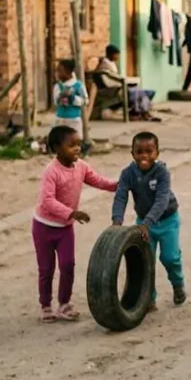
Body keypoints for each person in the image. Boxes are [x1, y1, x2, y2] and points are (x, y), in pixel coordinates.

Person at [32, 125, 117, 323]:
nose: (77, 148)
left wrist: (119, 185)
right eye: (71, 145)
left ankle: (64, 304)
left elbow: (99, 181)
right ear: (57, 148)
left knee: (68, 265)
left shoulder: (81, 167)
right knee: (46, 269)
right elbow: (47, 201)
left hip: (65, 229)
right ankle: (45, 306)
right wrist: (72, 213)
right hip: (44, 227)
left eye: (79, 144)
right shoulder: (51, 171)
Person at [112, 131, 187, 310]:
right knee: (145, 261)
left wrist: (147, 223)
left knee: (170, 258)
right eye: (139, 152)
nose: (144, 156)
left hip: (167, 221)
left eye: (149, 151)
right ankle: (148, 298)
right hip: (144, 224)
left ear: (157, 153)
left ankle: (178, 284)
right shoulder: (127, 174)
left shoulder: (162, 172)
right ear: (132, 154)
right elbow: (121, 197)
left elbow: (162, 200)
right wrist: (117, 221)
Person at [98, 45, 156, 119]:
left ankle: (140, 112)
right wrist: (125, 83)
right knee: (137, 92)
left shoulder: (112, 63)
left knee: (148, 92)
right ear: (110, 54)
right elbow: (111, 81)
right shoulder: (105, 64)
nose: (117, 57)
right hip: (114, 89)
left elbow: (117, 78)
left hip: (119, 86)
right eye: (116, 54)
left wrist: (127, 83)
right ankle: (139, 112)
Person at [52, 58, 87, 137]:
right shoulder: (57, 86)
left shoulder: (78, 85)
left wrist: (73, 97)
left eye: (59, 70)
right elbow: (56, 102)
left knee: (74, 139)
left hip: (74, 119)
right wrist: (61, 96)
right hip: (60, 119)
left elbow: (85, 101)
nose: (57, 73)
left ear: (67, 71)